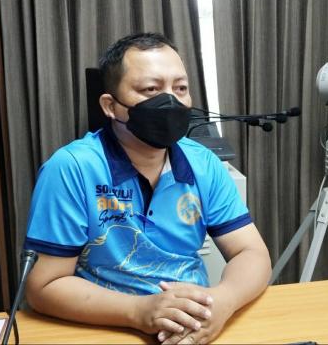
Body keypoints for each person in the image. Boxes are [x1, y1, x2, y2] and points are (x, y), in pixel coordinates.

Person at [24, 32, 271, 344]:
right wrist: (139, 311)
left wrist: (223, 302)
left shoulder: (203, 163)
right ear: (111, 106)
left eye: (180, 88)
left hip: (192, 324)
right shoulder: (71, 168)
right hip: (105, 326)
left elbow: (252, 253)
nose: (170, 101)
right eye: (151, 89)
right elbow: (44, 286)